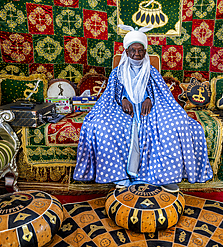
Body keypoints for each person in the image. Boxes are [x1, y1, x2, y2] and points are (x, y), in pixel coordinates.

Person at [73, 25, 213, 192]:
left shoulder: (152, 71)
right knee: (101, 127)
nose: (137, 54)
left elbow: (161, 92)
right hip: (123, 110)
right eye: (133, 50)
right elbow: (111, 94)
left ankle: (166, 176)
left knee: (176, 124)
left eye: (140, 50)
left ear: (145, 51)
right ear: (126, 51)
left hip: (151, 110)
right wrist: (123, 98)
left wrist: (149, 98)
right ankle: (120, 176)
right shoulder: (117, 73)